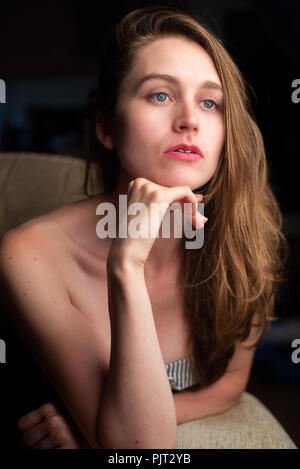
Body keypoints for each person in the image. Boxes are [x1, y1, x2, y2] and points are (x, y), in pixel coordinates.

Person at [0, 6, 289, 449]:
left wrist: (95, 425)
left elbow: (231, 382)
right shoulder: (28, 254)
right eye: (160, 95)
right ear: (106, 125)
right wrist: (127, 263)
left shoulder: (243, 232)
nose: (190, 119)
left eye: (210, 102)